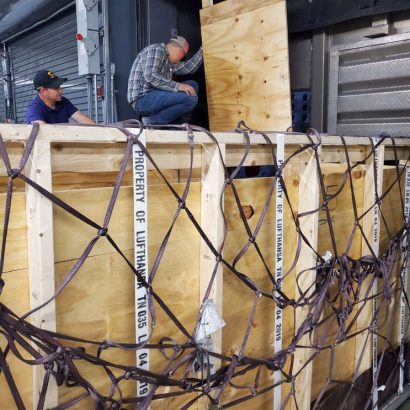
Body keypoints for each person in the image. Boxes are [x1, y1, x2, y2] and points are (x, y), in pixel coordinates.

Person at [127, 36, 203, 125]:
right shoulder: (156, 49)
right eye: (181, 57)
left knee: (192, 85)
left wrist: (202, 50)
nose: (180, 60)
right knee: (191, 99)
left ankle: (172, 121)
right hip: (142, 99)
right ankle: (152, 121)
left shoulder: (168, 61)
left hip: (153, 95)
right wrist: (178, 86)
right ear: (180, 53)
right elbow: (151, 76)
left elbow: (188, 68)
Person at [26, 69, 96, 125]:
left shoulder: (63, 101)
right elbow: (41, 131)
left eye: (59, 87)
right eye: (56, 88)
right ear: (43, 91)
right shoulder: (34, 109)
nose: (61, 91)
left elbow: (86, 121)